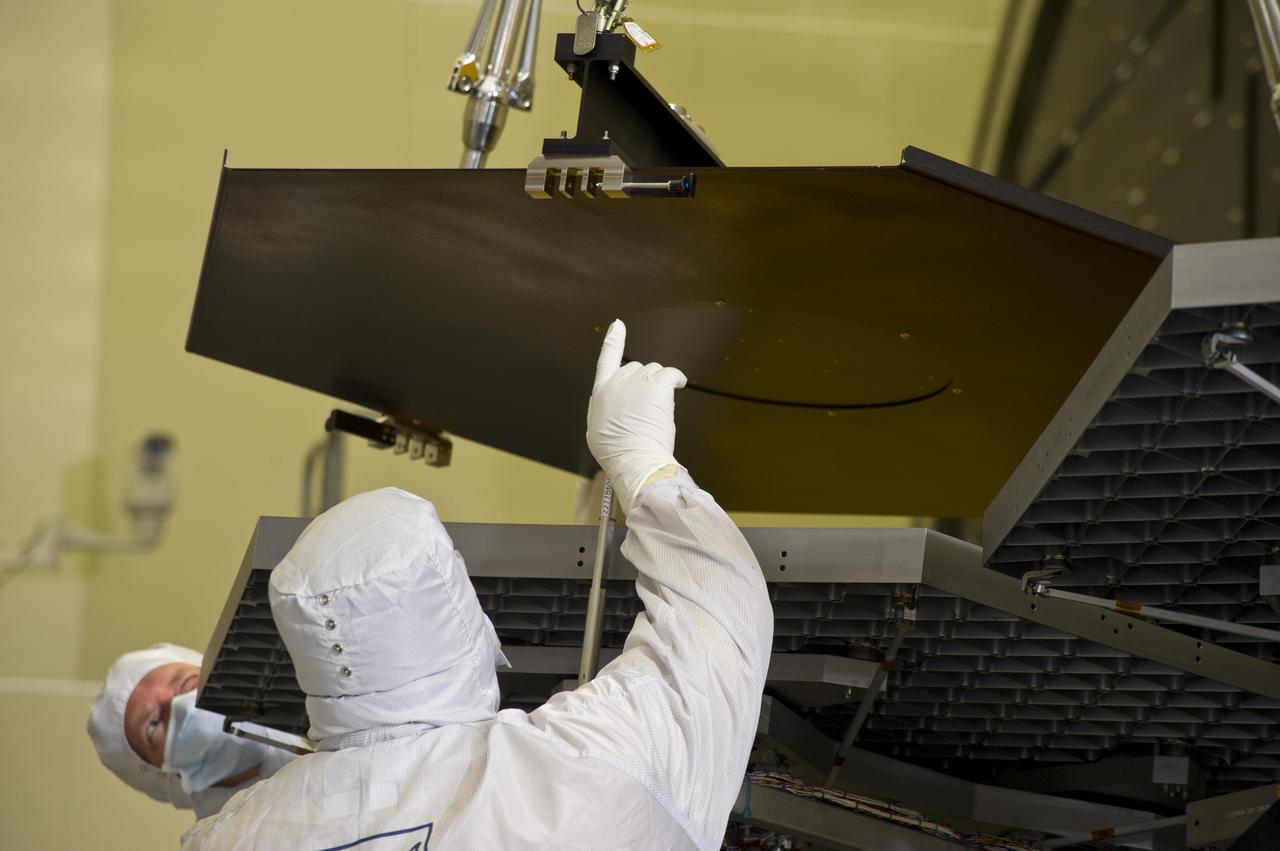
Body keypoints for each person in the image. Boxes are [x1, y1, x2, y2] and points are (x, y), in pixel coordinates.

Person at [182, 319, 775, 850]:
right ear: (456, 611)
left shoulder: (232, 834)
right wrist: (643, 464)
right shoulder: (566, 779)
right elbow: (719, 626)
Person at [87, 643, 296, 820]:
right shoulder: (227, 842)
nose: (183, 705)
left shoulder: (318, 692)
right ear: (162, 773)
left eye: (187, 683)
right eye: (154, 723)